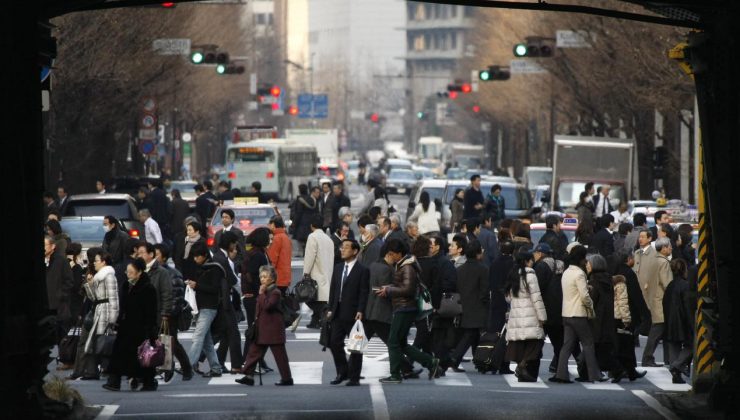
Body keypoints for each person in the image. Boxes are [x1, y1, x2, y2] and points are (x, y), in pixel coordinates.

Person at [376, 240, 441, 383]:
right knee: (402, 343)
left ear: (399, 253)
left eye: (392, 254)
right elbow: (403, 285)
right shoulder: (404, 264)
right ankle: (431, 362)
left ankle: (395, 375)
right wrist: (389, 287)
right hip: (405, 307)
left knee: (393, 342)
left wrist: (389, 290)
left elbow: (408, 289)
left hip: (405, 307)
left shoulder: (407, 267)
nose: (390, 256)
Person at [103, 258, 159, 391]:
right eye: (127, 272)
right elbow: (122, 307)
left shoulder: (147, 287)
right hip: (125, 326)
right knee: (118, 354)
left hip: (141, 328)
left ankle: (148, 382)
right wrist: (117, 322)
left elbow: (151, 311)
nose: (128, 274)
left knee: (143, 357)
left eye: (131, 272)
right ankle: (114, 381)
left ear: (139, 272)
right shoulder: (126, 285)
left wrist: (151, 330)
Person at [550, 245, 602, 384]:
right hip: (578, 313)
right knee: (588, 343)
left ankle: (561, 374)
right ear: (581, 259)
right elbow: (584, 296)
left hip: (566, 313)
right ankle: (593, 374)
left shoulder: (566, 272)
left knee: (567, 345)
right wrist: (591, 308)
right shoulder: (579, 273)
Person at [235, 266, 294, 386]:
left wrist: (261, 294)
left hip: (273, 330)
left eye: (265, 277)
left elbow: (267, 306)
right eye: (261, 276)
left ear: (272, 279)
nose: (262, 279)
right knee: (253, 352)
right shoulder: (266, 291)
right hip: (263, 329)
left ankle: (287, 378)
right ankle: (249, 376)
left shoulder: (275, 292)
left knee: (280, 356)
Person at [325, 239, 370, 386]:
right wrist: (330, 308)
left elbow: (364, 292)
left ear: (355, 251)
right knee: (334, 343)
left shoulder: (362, 270)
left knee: (355, 346)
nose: (342, 250)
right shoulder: (338, 268)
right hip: (337, 312)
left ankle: (354, 377)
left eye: (346, 247)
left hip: (353, 313)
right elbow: (333, 290)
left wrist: (360, 310)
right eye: (341, 247)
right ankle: (342, 371)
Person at [504, 249, 547, 382]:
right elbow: (536, 298)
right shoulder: (530, 275)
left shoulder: (513, 275)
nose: (532, 263)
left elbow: (508, 298)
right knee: (536, 343)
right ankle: (523, 365)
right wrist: (542, 317)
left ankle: (520, 366)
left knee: (519, 344)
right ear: (527, 262)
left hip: (516, 315)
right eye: (531, 260)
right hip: (530, 314)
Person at [153, 243, 193, 381]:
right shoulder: (153, 272)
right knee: (160, 342)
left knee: (172, 342)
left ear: (163, 256)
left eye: (157, 253)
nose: (154, 256)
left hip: (169, 314)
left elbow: (177, 296)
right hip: (157, 312)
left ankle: (186, 368)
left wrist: (169, 312)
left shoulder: (173, 273)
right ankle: (167, 367)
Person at [184, 242, 224, 378]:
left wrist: (197, 285)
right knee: (207, 342)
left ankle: (188, 365)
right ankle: (216, 368)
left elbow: (214, 289)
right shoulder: (201, 267)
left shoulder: (215, 268)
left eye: (197, 257)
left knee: (198, 337)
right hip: (201, 307)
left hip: (209, 307)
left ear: (205, 255)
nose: (195, 260)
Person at [76, 251, 119, 380]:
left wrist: (113, 318)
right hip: (98, 309)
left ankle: (103, 370)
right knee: (94, 342)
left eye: (97, 260)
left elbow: (114, 298)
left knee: (102, 342)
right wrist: (89, 284)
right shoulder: (98, 277)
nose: (94, 263)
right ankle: (92, 371)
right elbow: (93, 297)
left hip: (105, 311)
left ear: (104, 262)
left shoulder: (109, 276)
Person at [448, 241, 489, 371]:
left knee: (472, 333)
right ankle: (454, 359)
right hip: (478, 306)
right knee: (471, 334)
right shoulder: (483, 269)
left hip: (462, 305)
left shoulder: (459, 269)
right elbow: (484, 291)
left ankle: (479, 361)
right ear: (478, 253)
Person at [633, 231, 671, 367]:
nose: (640, 239)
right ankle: (648, 358)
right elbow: (667, 283)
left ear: (650, 239)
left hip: (651, 296)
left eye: (643, 237)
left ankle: (667, 359)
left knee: (660, 329)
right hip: (657, 299)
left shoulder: (654, 257)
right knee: (657, 329)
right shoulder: (661, 261)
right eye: (640, 237)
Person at [610, 249, 649, 381]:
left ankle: (625, 370)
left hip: (614, 314)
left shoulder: (614, 271)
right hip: (627, 313)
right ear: (628, 259)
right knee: (627, 343)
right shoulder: (628, 274)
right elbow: (636, 295)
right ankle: (629, 371)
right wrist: (644, 312)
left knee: (619, 343)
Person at [210, 231, 244, 373]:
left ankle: (219, 362)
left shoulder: (219, 256)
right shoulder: (222, 259)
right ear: (230, 243)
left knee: (224, 333)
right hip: (224, 300)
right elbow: (233, 280)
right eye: (234, 242)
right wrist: (244, 294)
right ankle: (236, 365)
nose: (236, 245)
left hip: (221, 299)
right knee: (233, 333)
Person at [240, 227, 273, 372]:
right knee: (255, 330)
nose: (270, 241)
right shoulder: (257, 255)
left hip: (254, 296)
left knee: (258, 330)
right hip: (254, 297)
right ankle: (248, 360)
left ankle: (257, 360)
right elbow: (253, 276)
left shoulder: (258, 253)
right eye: (268, 238)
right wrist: (261, 291)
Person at [586, 254, 620, 381]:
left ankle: (616, 369)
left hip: (597, 318)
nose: (586, 266)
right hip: (606, 317)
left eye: (589, 264)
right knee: (602, 347)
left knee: (597, 347)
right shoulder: (607, 279)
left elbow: (592, 299)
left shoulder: (594, 280)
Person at [663, 259, 693, 384]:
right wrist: (691, 322)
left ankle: (676, 374)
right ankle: (676, 366)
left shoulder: (670, 285)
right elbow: (687, 306)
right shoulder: (685, 285)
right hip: (682, 320)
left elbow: (664, 303)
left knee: (673, 345)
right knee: (692, 345)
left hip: (669, 319)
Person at [302, 216, 335, 329]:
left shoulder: (312, 237)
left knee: (308, 298)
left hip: (316, 271)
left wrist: (306, 272)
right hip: (327, 271)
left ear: (312, 226)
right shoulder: (329, 239)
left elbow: (310, 256)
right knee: (319, 298)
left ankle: (323, 314)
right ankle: (315, 320)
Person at [45, 235, 74, 342]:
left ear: (52, 246)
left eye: (45, 245)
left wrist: (60, 295)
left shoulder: (61, 260)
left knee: (60, 336)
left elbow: (69, 281)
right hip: (45, 307)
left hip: (59, 306)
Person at [267, 216, 292, 293]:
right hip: (285, 276)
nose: (268, 226)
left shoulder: (276, 238)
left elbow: (272, 259)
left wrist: (267, 276)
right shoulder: (285, 237)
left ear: (273, 224)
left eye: (269, 224)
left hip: (277, 277)